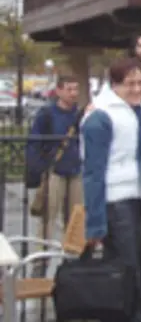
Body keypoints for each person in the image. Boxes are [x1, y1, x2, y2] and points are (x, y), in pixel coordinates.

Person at [81, 58, 141, 322]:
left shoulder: (139, 110)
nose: (136, 89)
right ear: (114, 85)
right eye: (129, 84)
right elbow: (93, 172)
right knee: (127, 269)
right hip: (115, 200)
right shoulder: (100, 115)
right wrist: (96, 223)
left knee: (133, 268)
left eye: (140, 83)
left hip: (136, 197)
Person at [26, 75, 82, 277]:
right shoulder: (47, 114)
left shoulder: (80, 114)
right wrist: (39, 168)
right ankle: (40, 266)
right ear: (58, 91)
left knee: (75, 221)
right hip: (54, 170)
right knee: (48, 220)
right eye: (69, 89)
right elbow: (34, 142)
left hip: (76, 171)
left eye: (76, 89)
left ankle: (72, 267)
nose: (73, 93)